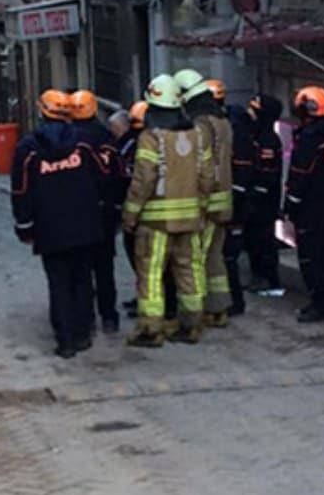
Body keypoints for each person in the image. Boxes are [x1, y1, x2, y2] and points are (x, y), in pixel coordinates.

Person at [11, 90, 107, 358]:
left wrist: (24, 226)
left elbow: (21, 191)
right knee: (83, 279)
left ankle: (65, 340)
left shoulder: (28, 150)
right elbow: (103, 177)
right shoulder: (84, 145)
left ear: (42, 111)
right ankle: (83, 332)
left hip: (50, 230)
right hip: (85, 225)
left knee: (59, 284)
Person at [123, 75, 215, 347]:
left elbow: (143, 180)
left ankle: (151, 330)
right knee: (189, 271)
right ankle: (191, 325)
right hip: (191, 220)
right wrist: (200, 207)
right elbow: (208, 177)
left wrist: (130, 214)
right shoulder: (199, 135)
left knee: (151, 275)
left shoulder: (151, 139)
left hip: (155, 222)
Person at [284, 85, 324, 323]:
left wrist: (290, 204)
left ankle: (319, 303)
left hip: (309, 204)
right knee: (322, 254)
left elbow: (300, 174)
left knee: (310, 257)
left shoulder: (311, 139)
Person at [182, 77, 234, 328]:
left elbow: (200, 165)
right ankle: (220, 307)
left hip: (205, 202)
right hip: (222, 201)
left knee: (196, 258)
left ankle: (198, 311)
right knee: (215, 256)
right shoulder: (223, 122)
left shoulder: (200, 126)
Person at [70, 90, 122, 334]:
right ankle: (109, 316)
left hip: (79, 212)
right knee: (104, 268)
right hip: (105, 212)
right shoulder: (106, 137)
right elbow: (118, 174)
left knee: (82, 268)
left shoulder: (68, 140)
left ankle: (86, 317)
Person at [246, 93, 285, 297]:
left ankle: (269, 279)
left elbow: (266, 175)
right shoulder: (256, 135)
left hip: (263, 202)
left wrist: (255, 193)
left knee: (264, 242)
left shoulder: (268, 140)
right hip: (255, 200)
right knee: (254, 241)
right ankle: (258, 276)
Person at [117, 101, 148, 317]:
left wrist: (128, 214)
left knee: (143, 262)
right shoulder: (157, 140)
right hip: (152, 213)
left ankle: (148, 304)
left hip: (140, 213)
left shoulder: (133, 145)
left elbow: (131, 180)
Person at [224, 103, 255, 317]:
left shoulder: (240, 140)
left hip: (236, 207)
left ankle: (235, 301)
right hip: (237, 206)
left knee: (229, 258)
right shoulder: (243, 135)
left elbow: (240, 180)